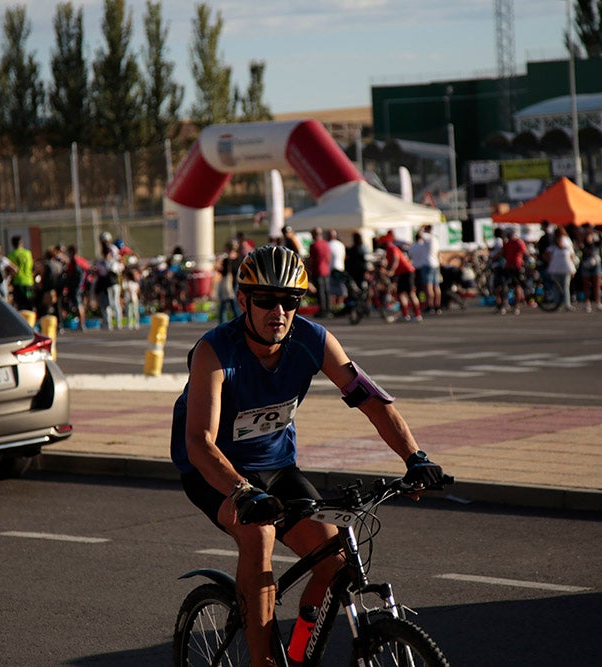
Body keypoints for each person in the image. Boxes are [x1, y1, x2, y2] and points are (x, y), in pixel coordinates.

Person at [169, 245, 448, 667]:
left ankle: (299, 653)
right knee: (259, 532)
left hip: (277, 466)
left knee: (336, 561)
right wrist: (242, 492)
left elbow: (372, 401)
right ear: (243, 300)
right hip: (215, 472)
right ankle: (262, 662)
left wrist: (415, 458)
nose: (278, 312)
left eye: (290, 301)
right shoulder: (214, 351)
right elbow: (200, 443)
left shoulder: (313, 340)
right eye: (265, 300)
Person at [409, 224, 442, 315]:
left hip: (427, 264)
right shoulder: (435, 239)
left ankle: (430, 305)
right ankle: (437, 305)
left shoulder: (428, 237)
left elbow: (419, 234)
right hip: (435, 264)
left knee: (428, 287)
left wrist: (421, 226)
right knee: (436, 286)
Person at [546, 226, 577, 311]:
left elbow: (571, 255)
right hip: (555, 268)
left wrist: (572, 268)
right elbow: (547, 254)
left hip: (565, 268)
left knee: (565, 287)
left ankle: (566, 304)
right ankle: (558, 304)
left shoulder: (566, 242)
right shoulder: (553, 244)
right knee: (557, 287)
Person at [578, 229, 602, 312]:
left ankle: (598, 303)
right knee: (586, 286)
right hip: (586, 265)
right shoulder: (583, 245)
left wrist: (597, 232)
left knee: (596, 285)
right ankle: (587, 303)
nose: (588, 238)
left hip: (596, 265)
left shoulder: (596, 244)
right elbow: (579, 244)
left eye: (589, 236)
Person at [307, 227, 332, 317]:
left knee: (320, 292)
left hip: (318, 270)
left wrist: (309, 270)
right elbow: (329, 257)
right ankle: (328, 309)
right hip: (326, 270)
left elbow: (311, 260)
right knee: (326, 291)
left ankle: (323, 310)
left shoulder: (314, 245)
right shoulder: (326, 244)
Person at [8, 235, 36, 311]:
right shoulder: (28, 253)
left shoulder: (11, 255)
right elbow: (32, 266)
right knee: (30, 304)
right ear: (21, 243)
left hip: (18, 282)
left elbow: (10, 271)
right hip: (29, 281)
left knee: (20, 306)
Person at [216, 239, 241, 324]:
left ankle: (222, 323)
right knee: (235, 306)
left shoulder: (227, 260)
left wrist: (219, 265)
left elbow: (223, 272)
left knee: (224, 307)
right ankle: (239, 322)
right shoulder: (239, 259)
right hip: (236, 284)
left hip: (228, 285)